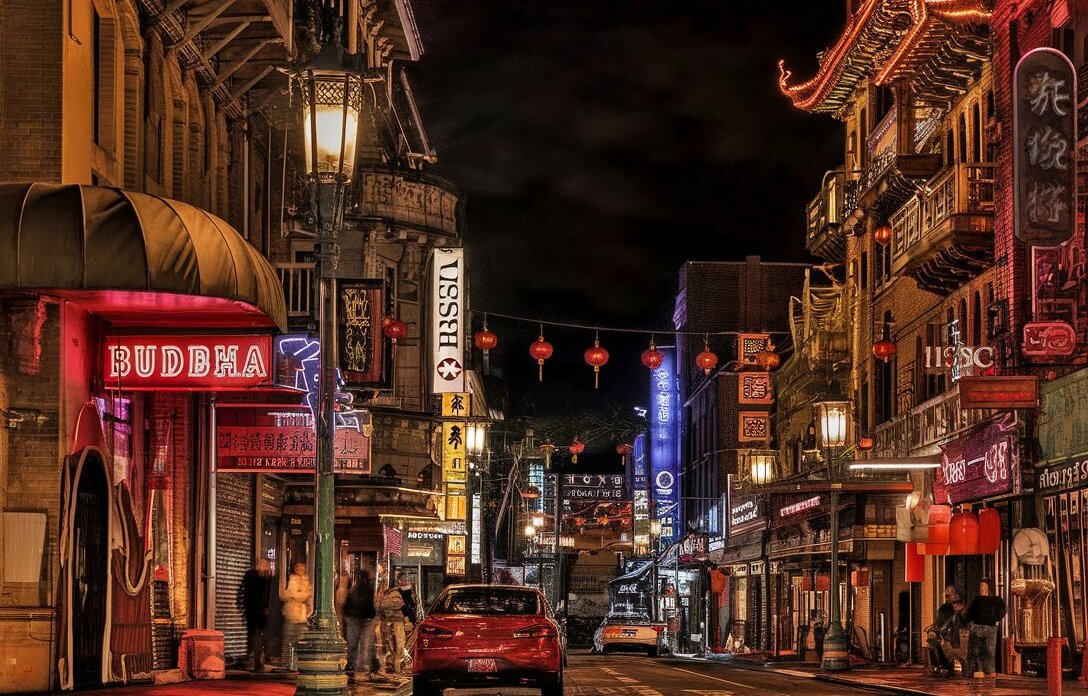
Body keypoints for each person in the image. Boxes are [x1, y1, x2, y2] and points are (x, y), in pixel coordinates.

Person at [343, 563, 377, 683]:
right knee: (363, 644)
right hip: (361, 617)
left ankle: (355, 665)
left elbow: (353, 603)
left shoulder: (358, 589)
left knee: (357, 644)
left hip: (358, 617)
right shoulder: (365, 588)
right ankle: (358, 666)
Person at [965, 578, 1006, 679]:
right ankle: (976, 671)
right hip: (978, 627)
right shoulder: (978, 599)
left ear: (989, 587)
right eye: (981, 587)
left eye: (984, 586)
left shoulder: (996, 600)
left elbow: (1002, 611)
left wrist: (995, 619)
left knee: (990, 651)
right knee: (975, 651)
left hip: (989, 628)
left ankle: (990, 671)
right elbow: (970, 613)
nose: (982, 589)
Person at [239, 559, 273, 672]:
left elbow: (268, 594)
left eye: (265, 565)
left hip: (261, 609)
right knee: (252, 632)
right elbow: (252, 592)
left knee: (263, 633)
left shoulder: (267, 578)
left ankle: (262, 655)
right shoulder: (252, 576)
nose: (264, 567)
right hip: (253, 609)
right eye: (262, 564)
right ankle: (253, 655)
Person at [280, 562, 313, 671]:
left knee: (300, 642)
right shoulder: (291, 580)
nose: (299, 569)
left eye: (302, 567)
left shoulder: (307, 581)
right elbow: (286, 595)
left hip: (303, 616)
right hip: (291, 615)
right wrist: (301, 596)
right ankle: (287, 665)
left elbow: (309, 597)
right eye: (297, 567)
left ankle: (297, 665)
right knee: (289, 641)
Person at [378, 578, 410, 674]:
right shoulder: (400, 594)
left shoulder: (385, 595)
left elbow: (379, 608)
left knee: (389, 643)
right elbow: (405, 607)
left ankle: (391, 664)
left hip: (387, 621)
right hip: (398, 622)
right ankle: (397, 666)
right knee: (400, 643)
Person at [930, 585, 965, 674]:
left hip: (958, 636)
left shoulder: (961, 607)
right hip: (946, 635)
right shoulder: (943, 608)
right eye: (946, 596)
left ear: (956, 595)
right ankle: (943, 666)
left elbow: (964, 622)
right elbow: (939, 622)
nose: (947, 598)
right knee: (934, 642)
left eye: (949, 595)